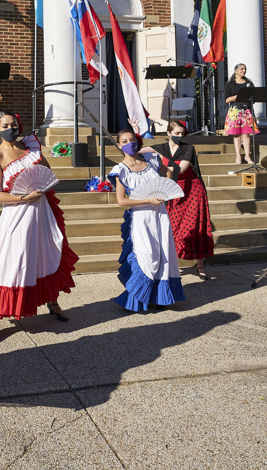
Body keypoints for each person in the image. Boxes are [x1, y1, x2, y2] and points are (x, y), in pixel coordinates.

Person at [0, 111, 79, 342]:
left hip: (42, 212)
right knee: (10, 262)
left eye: (14, 124)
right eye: (6, 125)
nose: (12, 128)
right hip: (17, 214)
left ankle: (52, 301)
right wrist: (23, 198)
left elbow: (48, 173)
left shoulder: (31, 147)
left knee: (46, 254)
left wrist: (41, 187)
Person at [108, 130, 186, 311]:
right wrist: (147, 200)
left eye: (132, 140)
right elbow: (121, 201)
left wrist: (165, 193)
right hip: (141, 218)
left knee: (163, 254)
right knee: (147, 255)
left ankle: (159, 297)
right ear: (119, 145)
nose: (130, 143)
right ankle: (136, 298)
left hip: (159, 214)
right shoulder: (120, 170)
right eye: (125, 141)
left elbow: (168, 173)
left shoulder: (152, 161)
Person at [155, 120, 215, 279]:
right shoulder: (161, 150)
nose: (180, 136)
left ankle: (200, 266)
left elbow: (181, 169)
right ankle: (168, 265)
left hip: (192, 190)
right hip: (172, 190)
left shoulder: (188, 148)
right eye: (176, 133)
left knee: (196, 227)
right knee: (172, 228)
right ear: (168, 134)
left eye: (182, 134)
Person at [224, 63, 258, 164]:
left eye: (245, 69)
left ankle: (248, 156)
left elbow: (254, 97)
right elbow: (227, 100)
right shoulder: (230, 84)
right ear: (235, 71)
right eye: (241, 69)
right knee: (236, 135)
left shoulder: (249, 84)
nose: (243, 71)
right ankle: (238, 156)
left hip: (246, 110)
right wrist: (238, 96)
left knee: (246, 134)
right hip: (235, 111)